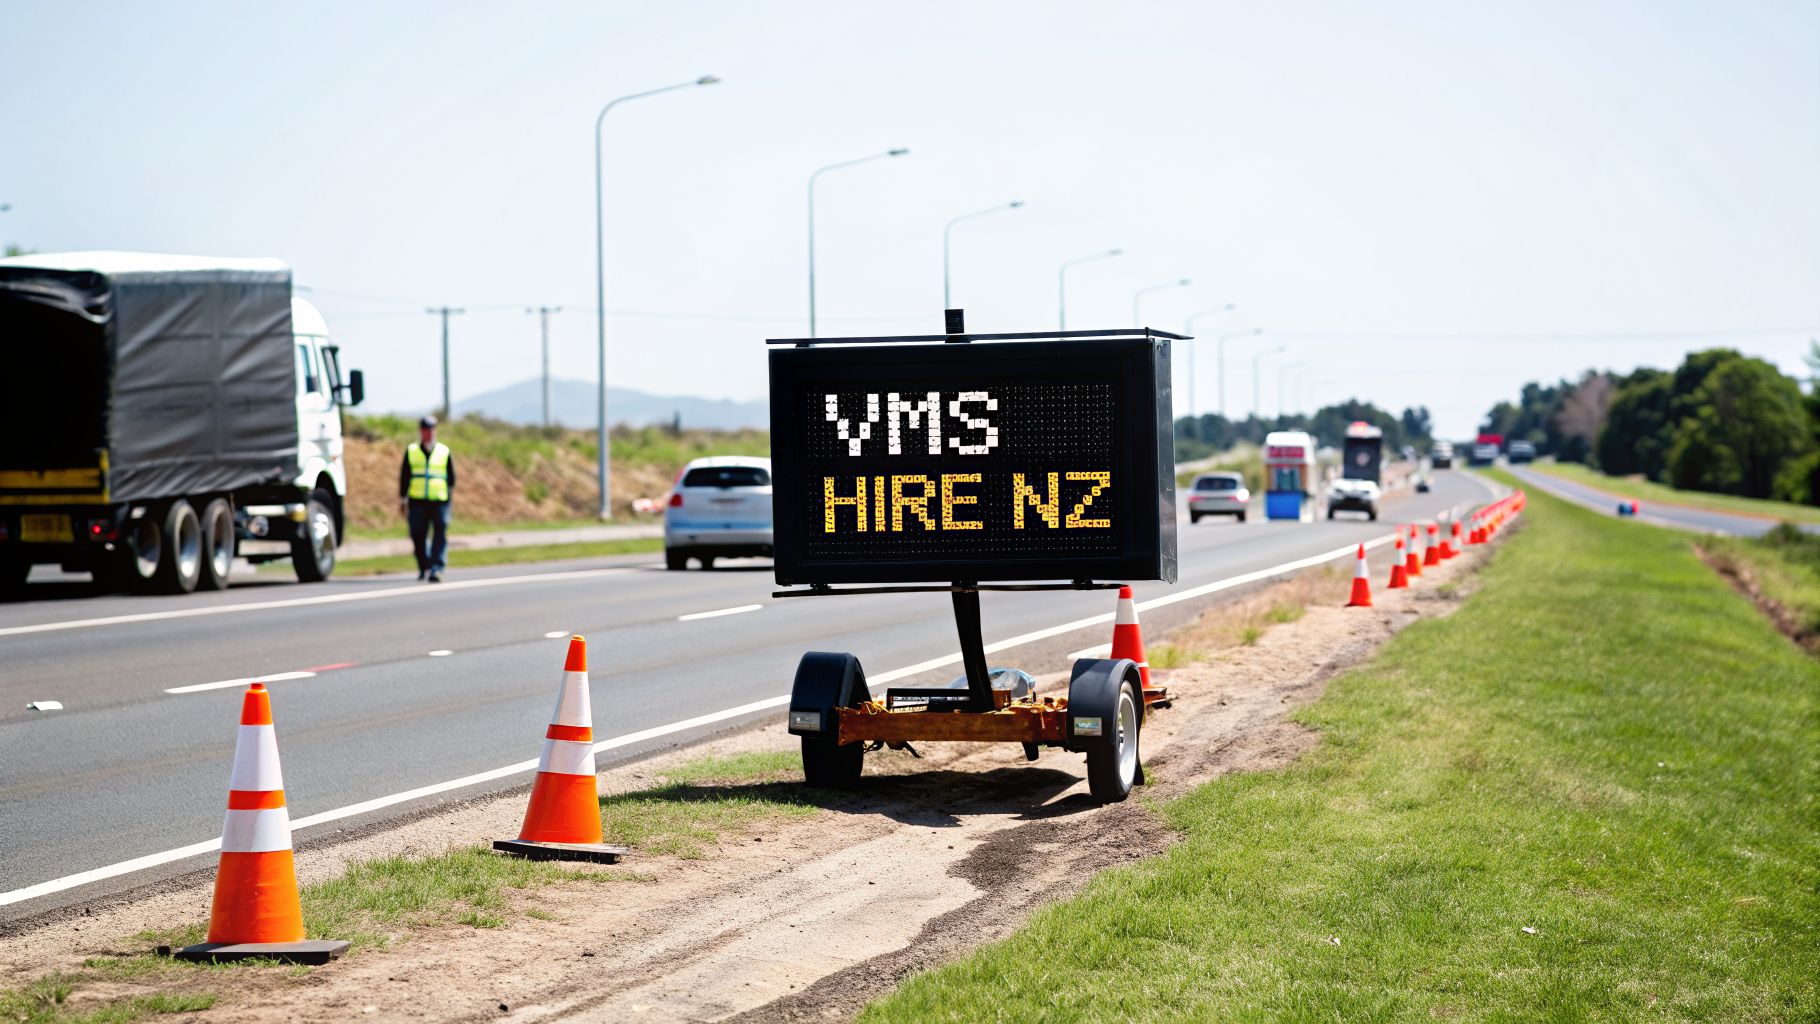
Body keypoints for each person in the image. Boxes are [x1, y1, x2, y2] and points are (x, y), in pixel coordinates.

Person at [399, 415, 455, 582]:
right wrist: (403, 499)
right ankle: (424, 566)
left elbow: (451, 478)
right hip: (417, 501)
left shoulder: (444, 451)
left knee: (440, 533)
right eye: (425, 430)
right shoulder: (412, 451)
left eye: (431, 430)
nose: (428, 433)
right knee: (418, 534)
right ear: (420, 432)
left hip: (439, 500)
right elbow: (404, 476)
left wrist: (448, 498)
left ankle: (437, 568)